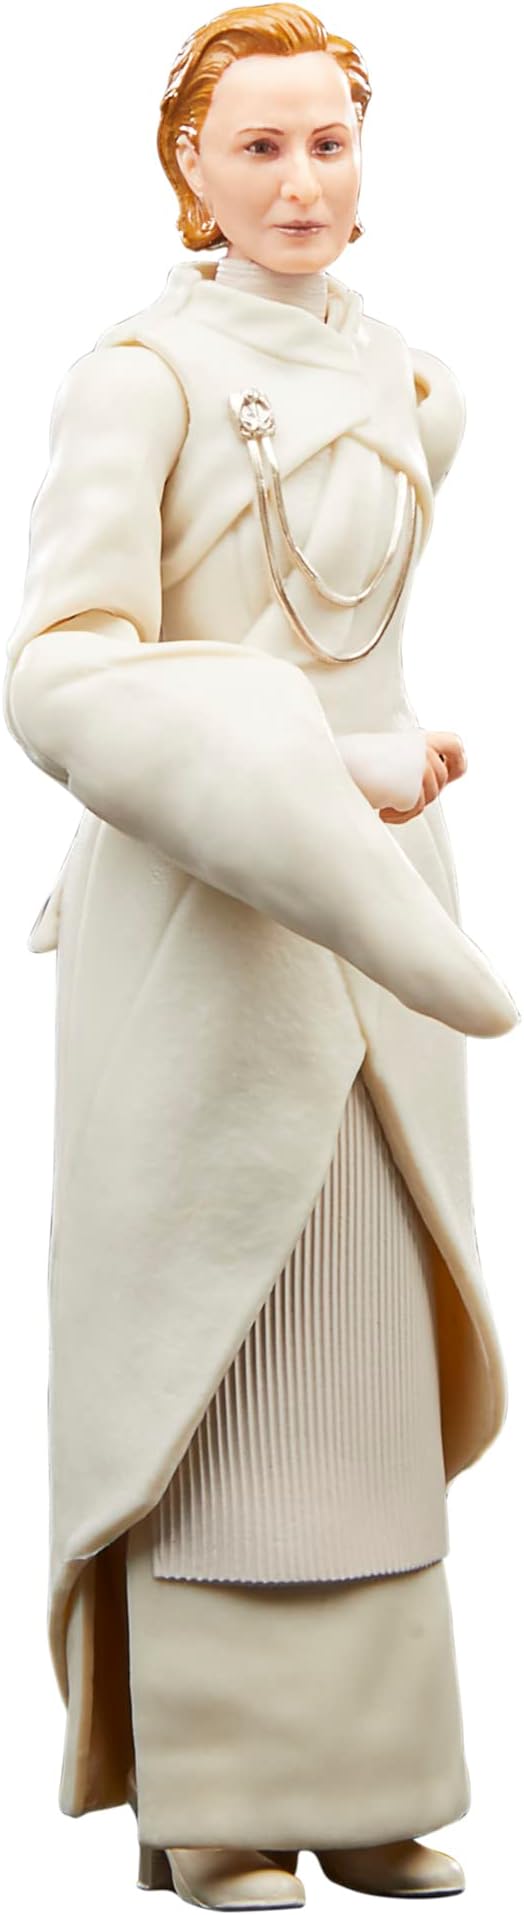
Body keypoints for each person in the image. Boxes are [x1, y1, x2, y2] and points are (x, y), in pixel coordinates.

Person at [3, 5, 518, 1906]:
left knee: (365, 1350)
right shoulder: (134, 379)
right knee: (207, 1336)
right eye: (259, 145)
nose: (301, 181)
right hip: (203, 926)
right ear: (189, 167)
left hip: (386, 926)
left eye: (329, 142)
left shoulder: (415, 383)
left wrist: (385, 776)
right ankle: (215, 1792)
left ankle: (370, 1778)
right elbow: (62, 671)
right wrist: (310, 760)